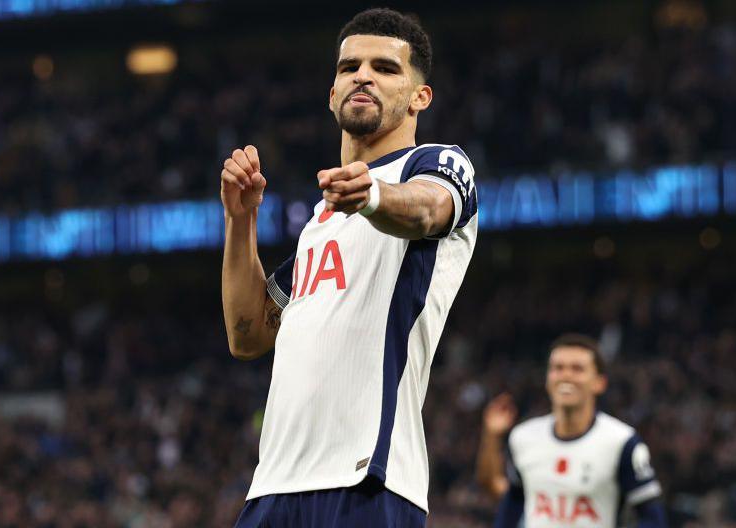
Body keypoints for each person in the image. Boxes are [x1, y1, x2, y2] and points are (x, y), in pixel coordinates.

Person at [220, 7, 477, 527]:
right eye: (349, 67)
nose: (362, 75)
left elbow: (427, 208)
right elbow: (247, 335)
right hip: (274, 484)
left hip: (367, 481)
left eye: (385, 68)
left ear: (419, 97)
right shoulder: (320, 223)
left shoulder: (435, 164)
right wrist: (241, 221)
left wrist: (373, 194)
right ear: (332, 94)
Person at [476, 334, 668, 528]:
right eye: (558, 368)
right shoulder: (524, 437)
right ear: (547, 379)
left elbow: (651, 517)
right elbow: (512, 500)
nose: (566, 376)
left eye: (577, 369)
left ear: (599, 382)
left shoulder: (621, 442)